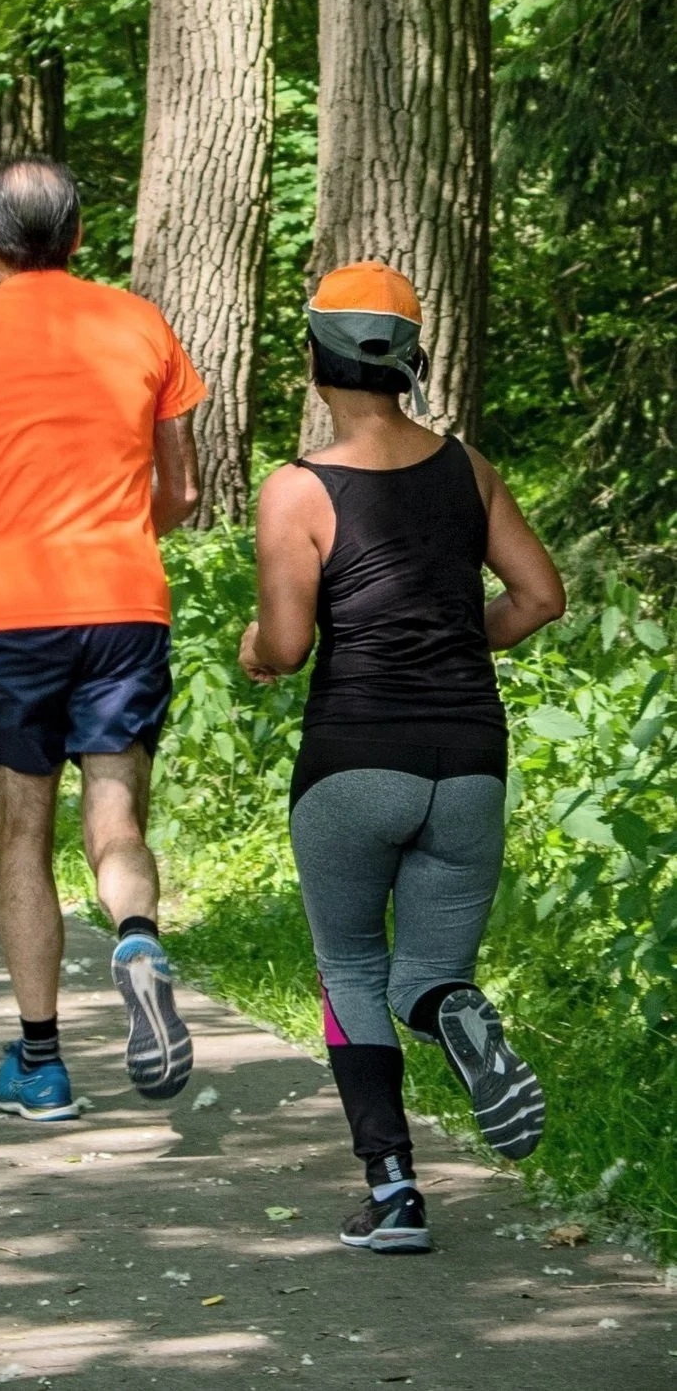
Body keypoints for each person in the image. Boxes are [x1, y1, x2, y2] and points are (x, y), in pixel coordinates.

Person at [240, 262, 566, 1253]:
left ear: (315, 360)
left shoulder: (298, 488)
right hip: (468, 759)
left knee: (349, 968)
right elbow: (540, 597)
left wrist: (253, 653)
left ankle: (393, 1194)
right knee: (422, 975)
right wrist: (459, 642)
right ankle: (453, 1009)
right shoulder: (468, 470)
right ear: (409, 359)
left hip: (354, 758)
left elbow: (288, 646)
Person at [0, 156, 206, 1121]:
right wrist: (122, 538)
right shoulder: (140, 322)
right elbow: (180, 493)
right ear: (77, 238)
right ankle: (138, 937)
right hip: (125, 608)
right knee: (117, 812)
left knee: (23, 838)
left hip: (15, 617)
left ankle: (43, 1063)